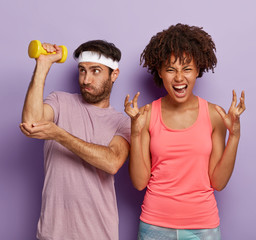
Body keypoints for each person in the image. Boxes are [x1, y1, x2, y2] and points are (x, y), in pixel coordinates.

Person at [124, 23, 246, 239]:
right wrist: (135, 133)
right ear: (160, 72)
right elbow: (139, 182)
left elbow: (217, 182)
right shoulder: (145, 115)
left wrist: (234, 135)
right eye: (171, 69)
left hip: (203, 225)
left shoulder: (215, 115)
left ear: (198, 70)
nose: (179, 78)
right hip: (155, 225)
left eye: (187, 68)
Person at [20, 40, 130, 240]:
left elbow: (112, 162)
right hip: (52, 232)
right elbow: (31, 123)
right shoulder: (60, 101)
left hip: (98, 233)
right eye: (82, 70)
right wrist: (43, 64)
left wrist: (59, 134)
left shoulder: (122, 123)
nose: (86, 79)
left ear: (114, 74)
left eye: (95, 71)